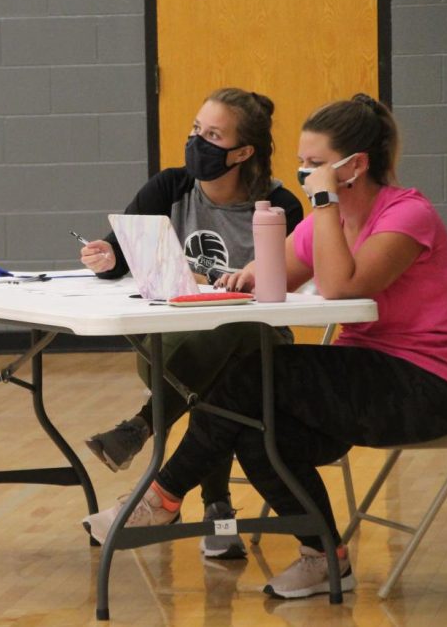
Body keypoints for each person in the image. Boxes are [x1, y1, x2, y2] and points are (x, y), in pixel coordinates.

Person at [82, 94, 447, 599]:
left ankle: (162, 494)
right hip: (366, 378)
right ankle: (324, 557)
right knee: (255, 428)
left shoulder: (407, 215)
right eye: (301, 162)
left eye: (315, 165)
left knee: (257, 375)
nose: (304, 174)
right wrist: (245, 276)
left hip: (427, 386)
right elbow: (275, 276)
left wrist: (324, 204)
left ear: (354, 166)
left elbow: (339, 287)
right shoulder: (322, 223)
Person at [79, 87, 303, 559]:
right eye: (196, 130)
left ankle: (143, 428)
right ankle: (216, 510)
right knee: (221, 372)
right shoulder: (170, 187)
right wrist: (103, 257)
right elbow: (120, 253)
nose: (197, 141)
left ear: (243, 152)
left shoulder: (279, 205)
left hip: (258, 347)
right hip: (172, 348)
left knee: (237, 343)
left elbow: (292, 284)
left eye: (213, 134)